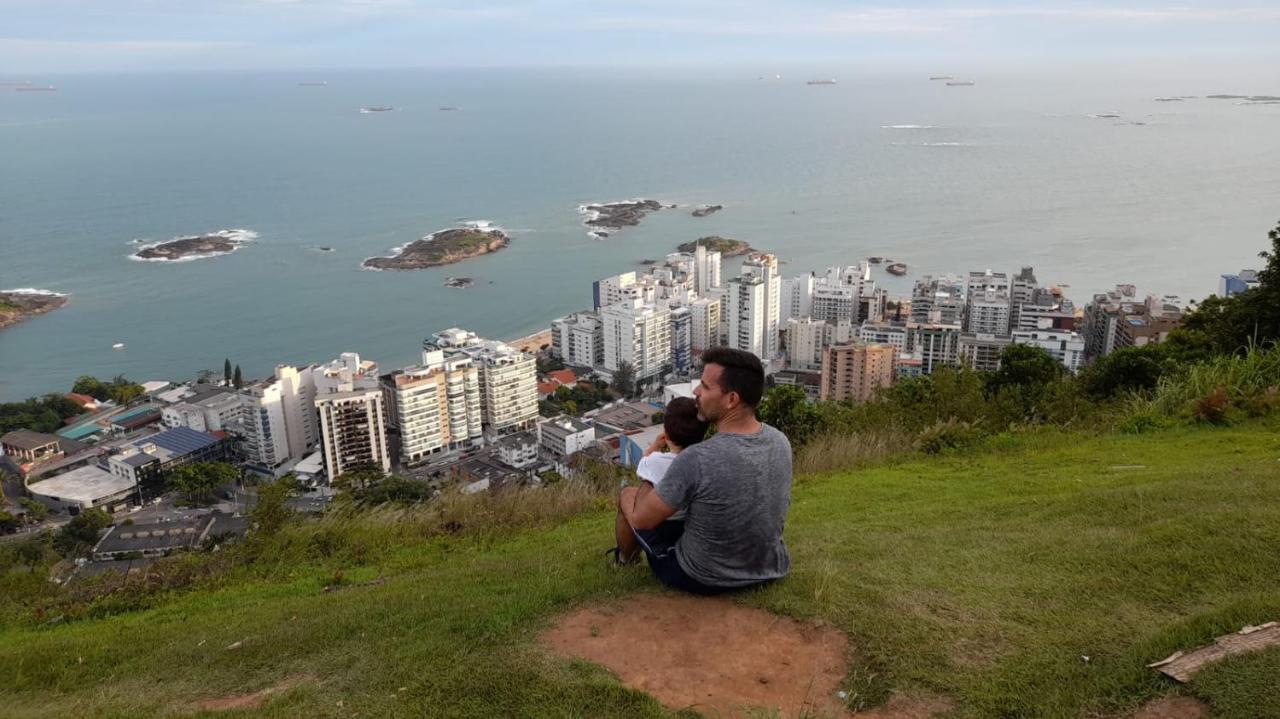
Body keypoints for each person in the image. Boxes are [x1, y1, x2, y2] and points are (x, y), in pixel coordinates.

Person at [615, 347, 792, 594]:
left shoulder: (697, 458)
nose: (696, 392)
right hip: (769, 567)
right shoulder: (780, 441)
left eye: (706, 387)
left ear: (732, 399)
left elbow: (642, 519)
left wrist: (649, 473)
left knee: (628, 497)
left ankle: (623, 561)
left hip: (702, 575)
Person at [609, 396, 708, 565]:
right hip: (691, 525)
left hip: (664, 525)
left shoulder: (657, 461)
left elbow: (642, 467)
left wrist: (655, 445)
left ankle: (625, 559)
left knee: (627, 495)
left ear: (667, 433)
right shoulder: (706, 459)